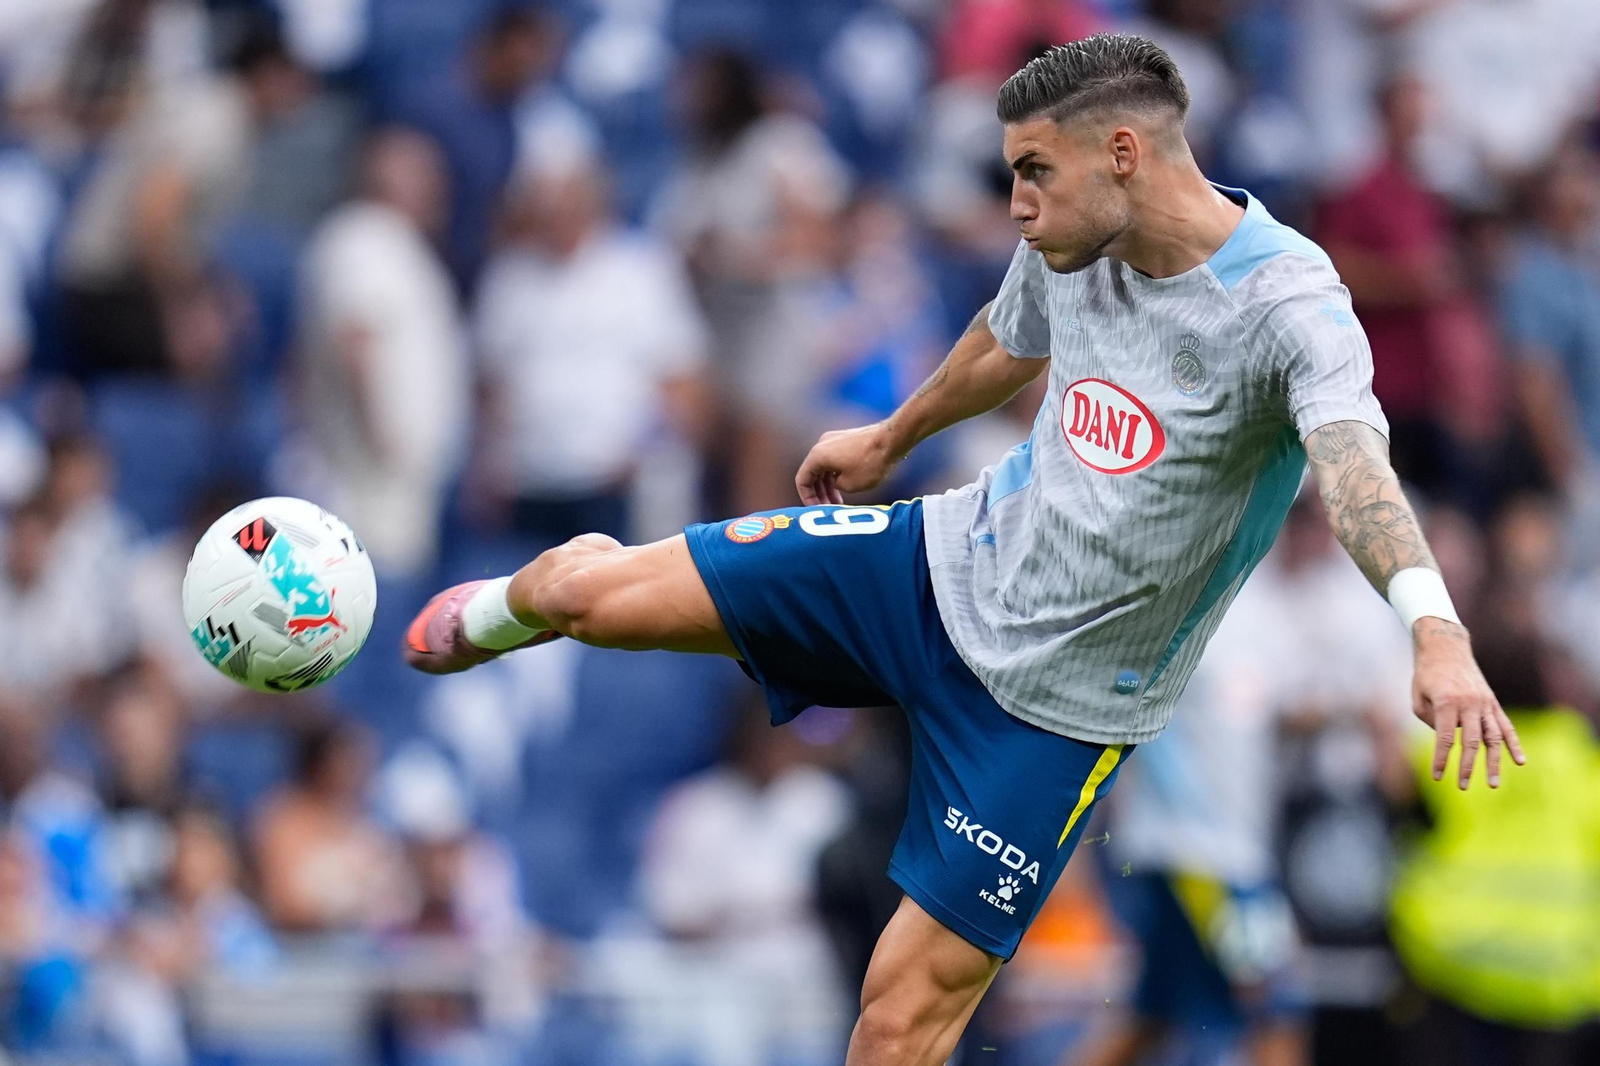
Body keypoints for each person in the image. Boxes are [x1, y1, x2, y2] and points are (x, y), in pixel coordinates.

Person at [404, 35, 1520, 1065]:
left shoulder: (1289, 305)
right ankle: (511, 605)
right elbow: (1004, 337)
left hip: (1054, 714)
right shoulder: (1075, 236)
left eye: (1032, 172)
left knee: (898, 1022)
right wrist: (891, 437)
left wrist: (1436, 631)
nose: (1015, 203)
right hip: (934, 564)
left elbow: (1356, 476)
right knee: (588, 599)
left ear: (1122, 154)